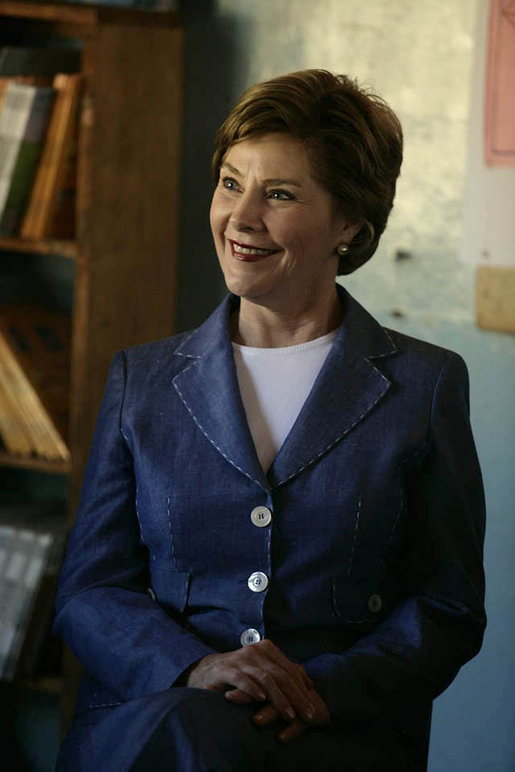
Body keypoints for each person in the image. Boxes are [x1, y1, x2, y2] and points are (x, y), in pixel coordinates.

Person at [53, 69, 486, 771]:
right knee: (190, 733)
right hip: (154, 725)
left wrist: (313, 689)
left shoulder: (424, 386)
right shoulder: (144, 379)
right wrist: (195, 670)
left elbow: (445, 607)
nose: (240, 218)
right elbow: (89, 591)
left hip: (328, 733)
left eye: (278, 194)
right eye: (231, 183)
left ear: (350, 222)